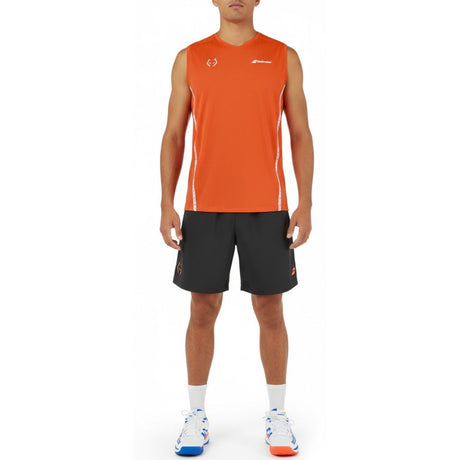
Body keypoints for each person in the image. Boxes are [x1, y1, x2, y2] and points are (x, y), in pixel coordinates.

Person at [159, 0, 313, 456]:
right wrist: (166, 201)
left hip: (268, 208)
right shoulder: (190, 58)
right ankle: (196, 416)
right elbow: (173, 135)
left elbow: (300, 133)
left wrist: (305, 202)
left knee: (271, 310)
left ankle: (278, 414)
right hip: (204, 207)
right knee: (202, 309)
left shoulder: (284, 57)